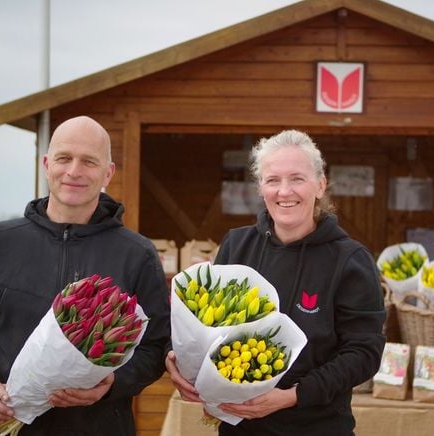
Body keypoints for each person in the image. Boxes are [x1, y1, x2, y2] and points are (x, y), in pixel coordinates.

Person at [0, 116, 171, 436]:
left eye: (89, 161)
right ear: (47, 164)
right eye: (64, 158)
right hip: (5, 426)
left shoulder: (137, 254)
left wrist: (114, 381)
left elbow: (155, 347)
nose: (74, 171)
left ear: (108, 173)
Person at [165, 129, 386, 435]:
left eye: (297, 178)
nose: (285, 191)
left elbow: (364, 353)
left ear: (320, 185)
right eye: (273, 180)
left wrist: (292, 396)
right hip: (239, 428)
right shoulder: (237, 244)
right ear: (261, 187)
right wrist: (179, 364)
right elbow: (202, 325)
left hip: (317, 428)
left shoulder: (350, 260)